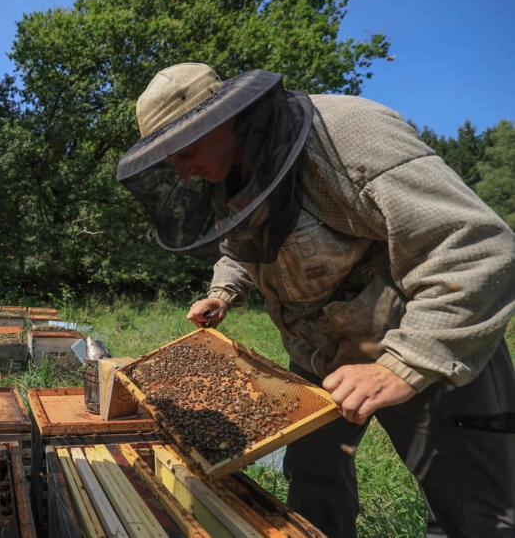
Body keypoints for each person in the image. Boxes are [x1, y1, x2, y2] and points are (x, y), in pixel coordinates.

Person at [117, 62, 515, 537]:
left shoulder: (348, 136)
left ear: (224, 117)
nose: (182, 172)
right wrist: (223, 290)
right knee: (312, 480)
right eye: (169, 160)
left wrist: (403, 365)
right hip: (320, 357)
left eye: (185, 150)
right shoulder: (230, 173)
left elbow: (475, 248)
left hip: (427, 343)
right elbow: (242, 246)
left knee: (473, 512)